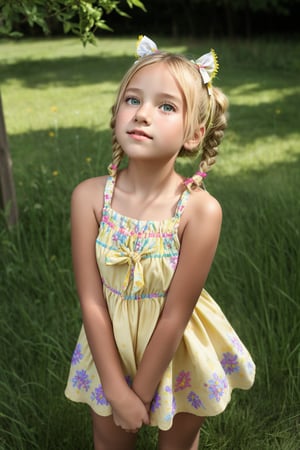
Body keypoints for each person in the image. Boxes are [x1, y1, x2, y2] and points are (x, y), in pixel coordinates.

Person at [65, 36, 255, 450]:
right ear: (117, 113)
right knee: (109, 439)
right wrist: (117, 390)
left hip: (178, 347)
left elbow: (175, 313)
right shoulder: (89, 198)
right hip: (107, 346)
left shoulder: (199, 212)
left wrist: (144, 389)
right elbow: (92, 301)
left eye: (166, 106)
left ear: (193, 134)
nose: (143, 114)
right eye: (133, 100)